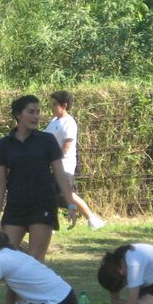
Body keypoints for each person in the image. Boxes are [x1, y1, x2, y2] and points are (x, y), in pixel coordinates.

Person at [0, 94, 78, 262]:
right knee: (6, 258)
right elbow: (1, 181)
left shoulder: (47, 140)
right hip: (15, 205)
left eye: (38, 112)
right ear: (18, 114)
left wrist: (71, 204)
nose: (36, 116)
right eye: (31, 112)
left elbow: (60, 174)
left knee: (35, 261)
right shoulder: (5, 144)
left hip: (43, 205)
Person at [44, 90, 106, 231]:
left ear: (64, 105)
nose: (52, 107)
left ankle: (92, 219)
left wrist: (54, 160)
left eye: (55, 104)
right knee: (49, 195)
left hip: (64, 166)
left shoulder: (69, 122)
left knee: (67, 194)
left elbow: (67, 145)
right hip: (52, 166)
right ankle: (50, 226)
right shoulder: (53, 122)